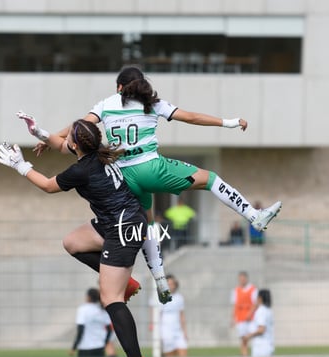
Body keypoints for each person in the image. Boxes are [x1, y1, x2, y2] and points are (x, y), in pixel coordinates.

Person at [17, 65, 282, 303]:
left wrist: (49, 137)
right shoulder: (151, 104)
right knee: (210, 179)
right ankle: (254, 216)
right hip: (152, 168)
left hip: (123, 178)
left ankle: (160, 280)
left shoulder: (106, 103)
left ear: (119, 87)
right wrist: (229, 122)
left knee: (148, 222)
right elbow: (190, 117)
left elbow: (79, 128)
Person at [0, 119, 152, 357]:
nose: (64, 137)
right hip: (116, 221)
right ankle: (124, 284)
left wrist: (20, 165)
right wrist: (40, 132)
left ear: (76, 144)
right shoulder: (97, 153)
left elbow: (47, 185)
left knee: (110, 300)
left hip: (122, 228)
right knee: (72, 242)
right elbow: (62, 143)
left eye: (69, 135)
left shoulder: (82, 169)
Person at [69, 288, 112, 357]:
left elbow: (80, 329)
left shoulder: (82, 309)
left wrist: (74, 347)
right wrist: (105, 343)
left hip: (85, 347)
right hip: (99, 347)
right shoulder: (102, 310)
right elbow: (109, 330)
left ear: (88, 297)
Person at [155, 274, 188, 357]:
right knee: (170, 355)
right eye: (168, 284)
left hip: (177, 329)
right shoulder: (161, 298)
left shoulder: (179, 297)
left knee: (183, 351)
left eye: (172, 284)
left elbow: (181, 315)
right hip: (166, 329)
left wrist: (184, 331)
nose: (171, 286)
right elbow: (158, 314)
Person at [230, 271, 258, 357]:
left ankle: (253, 353)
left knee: (251, 336)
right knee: (243, 338)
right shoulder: (236, 290)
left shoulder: (253, 289)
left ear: (246, 279)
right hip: (241, 318)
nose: (242, 281)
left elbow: (255, 303)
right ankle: (244, 354)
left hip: (251, 318)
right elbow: (234, 305)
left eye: (243, 279)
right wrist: (232, 318)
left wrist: (250, 313)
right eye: (240, 279)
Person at [242, 289, 274, 357]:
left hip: (261, 347)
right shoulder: (269, 310)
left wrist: (248, 335)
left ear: (260, 298)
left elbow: (261, 329)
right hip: (268, 345)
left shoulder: (261, 310)